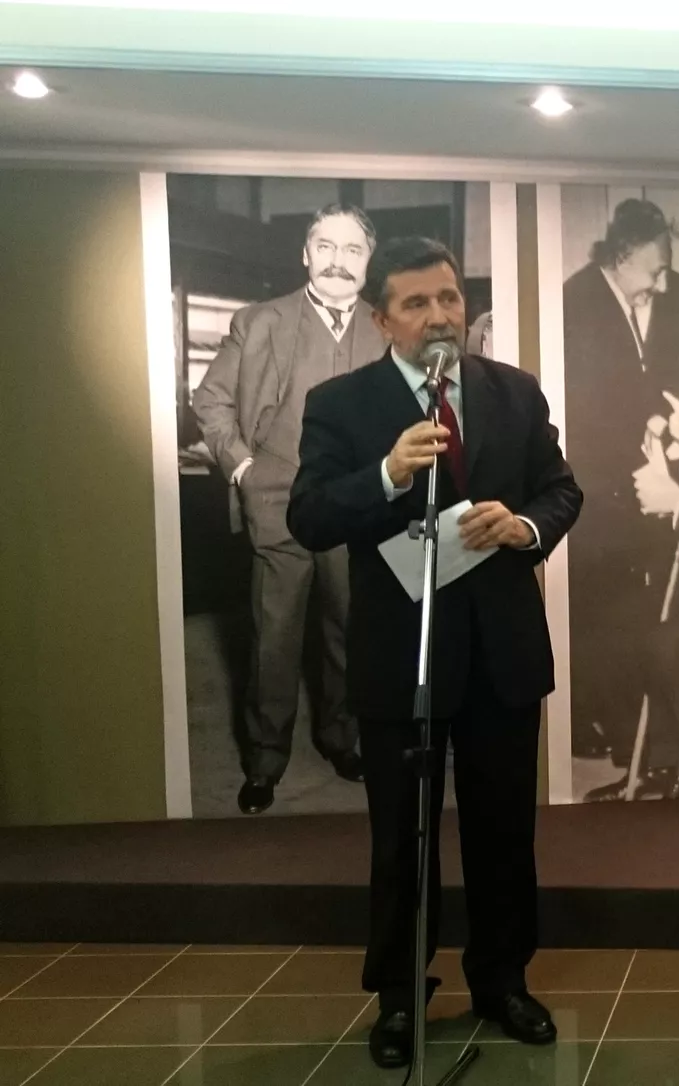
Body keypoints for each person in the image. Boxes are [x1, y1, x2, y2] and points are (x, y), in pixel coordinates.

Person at [286, 237, 582, 1069]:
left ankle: (502, 980)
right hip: (401, 659)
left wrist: (524, 526)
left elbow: (561, 490)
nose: (440, 315)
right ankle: (399, 996)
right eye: (416, 303)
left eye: (448, 297)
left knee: (503, 831)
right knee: (401, 839)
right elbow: (308, 516)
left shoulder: (513, 392)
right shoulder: (341, 403)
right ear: (382, 319)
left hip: (501, 653)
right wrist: (384, 474)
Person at [192, 204, 387, 814]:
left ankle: (341, 737)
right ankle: (264, 759)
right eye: (324, 246)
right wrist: (242, 467)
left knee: (350, 630)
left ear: (368, 261)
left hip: (355, 505)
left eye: (352, 249)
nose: (337, 260)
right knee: (273, 637)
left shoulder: (390, 330)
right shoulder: (259, 322)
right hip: (277, 498)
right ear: (305, 254)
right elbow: (210, 400)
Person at [563, 198, 679, 801]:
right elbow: (580, 407)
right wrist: (638, 445)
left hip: (660, 484)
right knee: (609, 615)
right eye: (655, 269)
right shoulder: (574, 301)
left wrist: (666, 427)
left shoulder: (672, 297)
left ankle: (653, 750)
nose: (662, 284)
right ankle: (623, 737)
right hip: (600, 490)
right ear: (623, 254)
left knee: (653, 615)